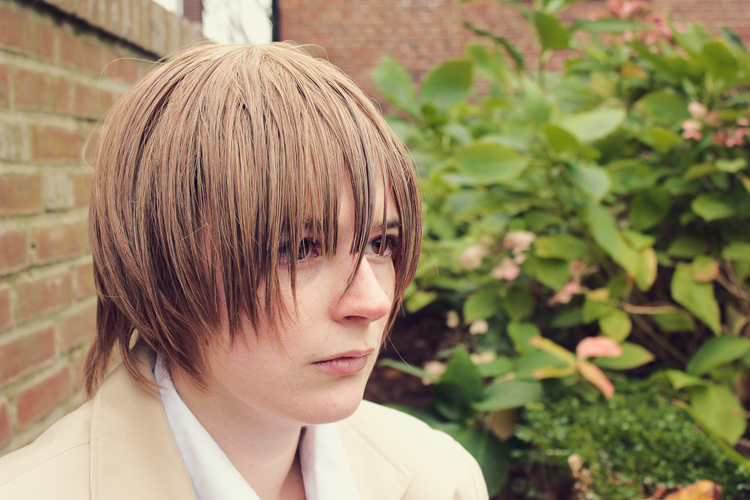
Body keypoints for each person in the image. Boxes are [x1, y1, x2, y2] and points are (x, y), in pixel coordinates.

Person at [0, 43, 488, 500]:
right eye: (300, 249)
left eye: (381, 244)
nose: (373, 302)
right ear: (164, 260)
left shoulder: (440, 477)